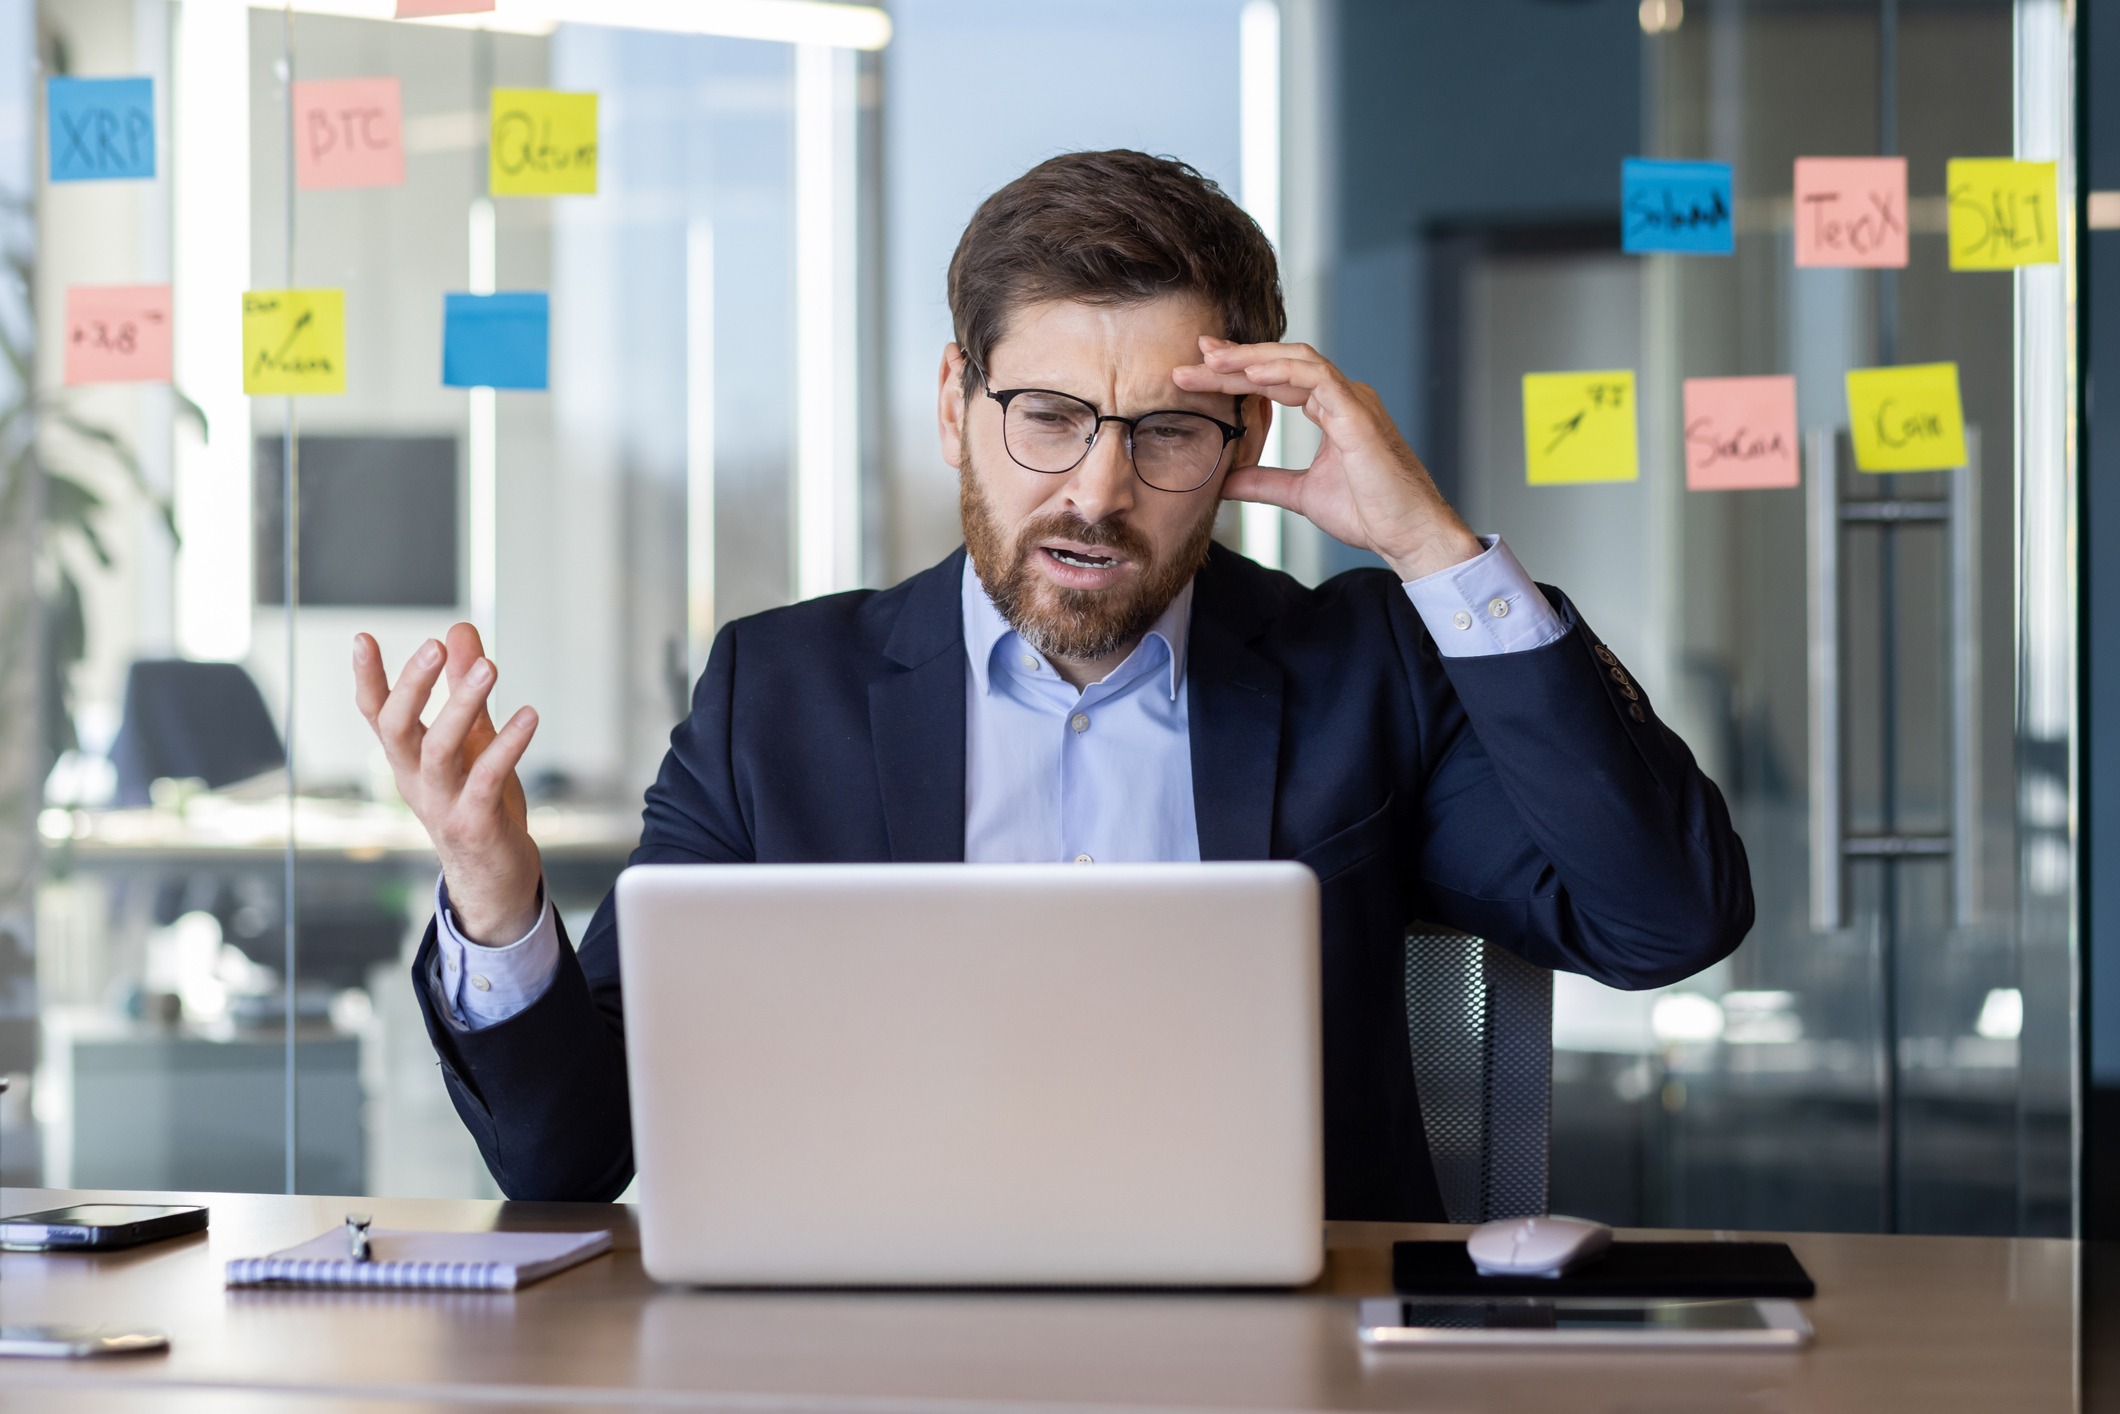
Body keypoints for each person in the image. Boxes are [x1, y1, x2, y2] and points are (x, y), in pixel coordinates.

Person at [352, 150, 1752, 1220]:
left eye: (1168, 432)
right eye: (1049, 417)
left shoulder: (1357, 668)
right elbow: (570, 1154)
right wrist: (492, 884)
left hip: (1288, 1359)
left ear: (1247, 431)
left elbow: (1665, 917)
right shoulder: (778, 699)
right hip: (878, 1361)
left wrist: (1433, 549)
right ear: (957, 399)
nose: (1098, 488)